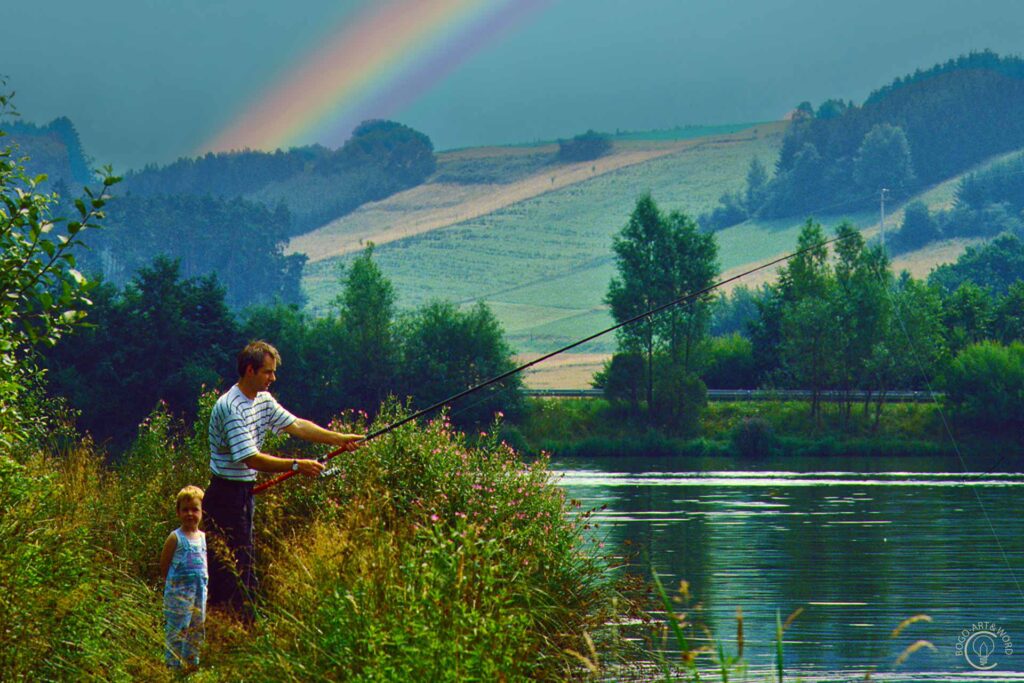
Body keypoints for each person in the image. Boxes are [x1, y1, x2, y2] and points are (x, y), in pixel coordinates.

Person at [205, 340, 362, 619]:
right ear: (250, 370)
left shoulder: (262, 400)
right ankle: (232, 628)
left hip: (244, 493)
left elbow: (297, 425)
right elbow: (251, 458)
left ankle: (242, 626)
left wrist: (340, 438)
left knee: (245, 560)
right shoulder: (230, 407)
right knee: (231, 567)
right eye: (268, 372)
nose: (273, 378)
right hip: (225, 496)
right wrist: (296, 465)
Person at [160, 485, 208, 671]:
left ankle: (191, 665)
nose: (190, 514)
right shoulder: (176, 538)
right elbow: (164, 566)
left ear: (202, 512)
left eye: (195, 509)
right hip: (178, 597)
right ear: (178, 512)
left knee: (196, 630)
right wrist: (173, 588)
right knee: (177, 631)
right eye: (185, 510)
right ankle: (172, 667)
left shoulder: (204, 538)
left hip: (199, 595)